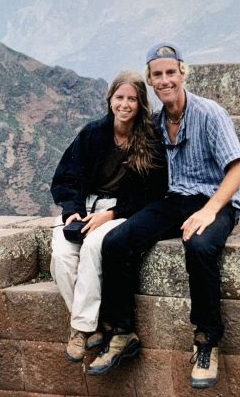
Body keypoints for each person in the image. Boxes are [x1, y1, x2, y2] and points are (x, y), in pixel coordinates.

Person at [89, 43, 240, 389]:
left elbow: (238, 169)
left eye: (170, 73)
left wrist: (209, 210)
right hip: (175, 200)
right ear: (150, 79)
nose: (165, 80)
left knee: (200, 247)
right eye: (157, 75)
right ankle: (121, 332)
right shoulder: (156, 124)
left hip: (215, 200)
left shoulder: (209, 113)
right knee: (116, 242)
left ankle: (207, 341)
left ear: (182, 73)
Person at [50, 70, 167, 363]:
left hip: (120, 211)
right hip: (86, 207)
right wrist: (72, 210)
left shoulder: (149, 141)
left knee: (92, 248)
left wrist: (111, 214)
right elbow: (68, 175)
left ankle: (79, 330)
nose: (125, 104)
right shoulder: (93, 134)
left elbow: (151, 193)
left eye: (132, 99)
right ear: (110, 99)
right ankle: (97, 326)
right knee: (62, 256)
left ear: (141, 104)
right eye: (119, 97)